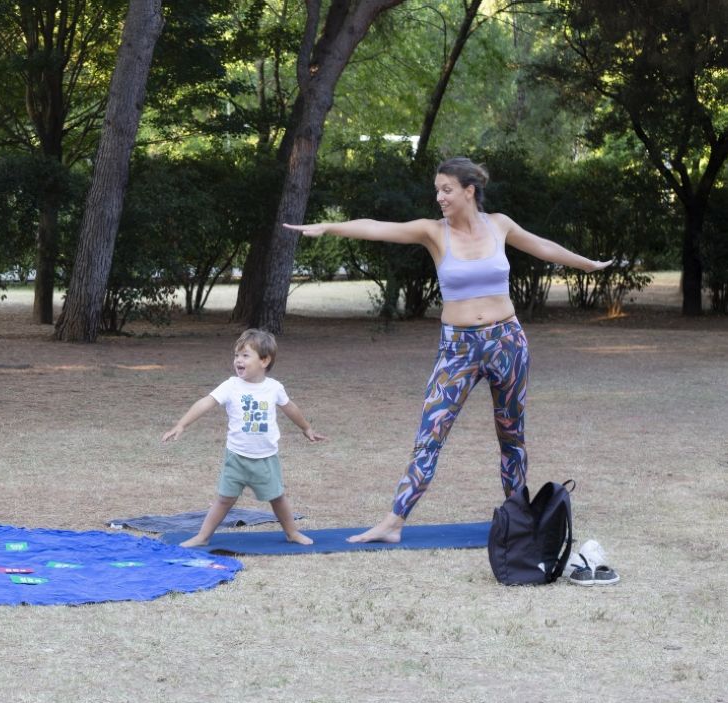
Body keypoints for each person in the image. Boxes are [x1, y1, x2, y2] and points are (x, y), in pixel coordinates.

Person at [283, 157, 612, 543]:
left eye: (447, 190)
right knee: (431, 433)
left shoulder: (499, 224)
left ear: (469, 191)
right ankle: (393, 522)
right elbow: (378, 227)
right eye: (437, 190)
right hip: (458, 348)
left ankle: (519, 520)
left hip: (507, 342)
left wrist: (586, 264)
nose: (439, 197)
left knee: (511, 436)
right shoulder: (433, 232)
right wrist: (329, 227)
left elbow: (541, 246)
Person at [161, 328, 326, 548]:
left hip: (265, 458)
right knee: (224, 499)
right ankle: (203, 536)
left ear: (264, 360)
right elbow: (206, 403)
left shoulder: (273, 388)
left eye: (245, 355)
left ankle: (292, 533)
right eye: (236, 355)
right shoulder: (231, 385)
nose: (238, 360)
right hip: (236, 457)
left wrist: (306, 428)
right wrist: (181, 424)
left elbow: (290, 408)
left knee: (277, 497)